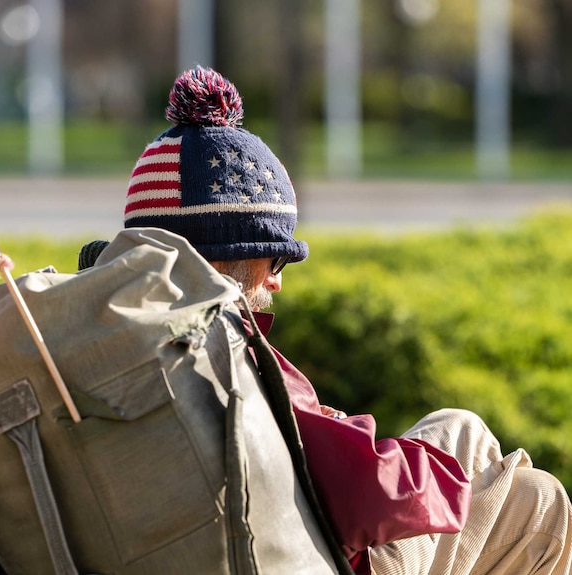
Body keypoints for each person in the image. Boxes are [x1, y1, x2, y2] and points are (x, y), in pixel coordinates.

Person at [93, 65, 572, 575]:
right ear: (221, 258)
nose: (277, 281)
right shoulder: (216, 349)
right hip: (318, 557)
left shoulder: (111, 337)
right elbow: (374, 495)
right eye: (273, 260)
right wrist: (445, 478)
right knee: (537, 498)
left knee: (469, 438)